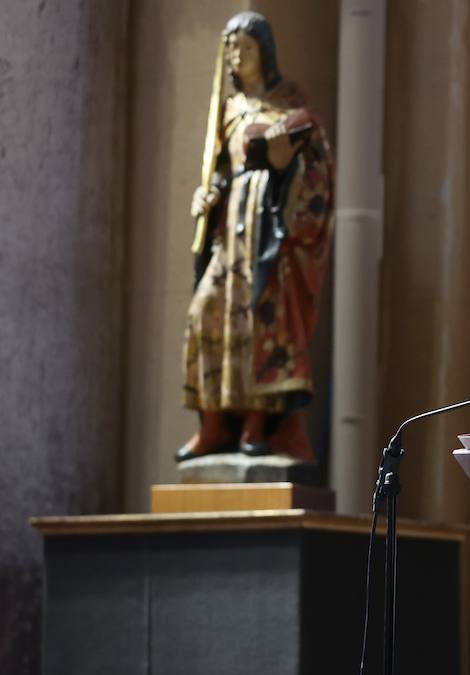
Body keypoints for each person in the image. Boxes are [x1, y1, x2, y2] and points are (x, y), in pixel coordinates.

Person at [177, 11, 334, 462]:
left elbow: (316, 170)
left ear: (265, 51)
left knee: (261, 322)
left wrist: (288, 168)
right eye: (231, 47)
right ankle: (212, 423)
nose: (237, 54)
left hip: (269, 232)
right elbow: (220, 173)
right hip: (231, 233)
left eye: (246, 46)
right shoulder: (226, 112)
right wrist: (205, 198)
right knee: (205, 313)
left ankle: (256, 422)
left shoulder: (291, 104)